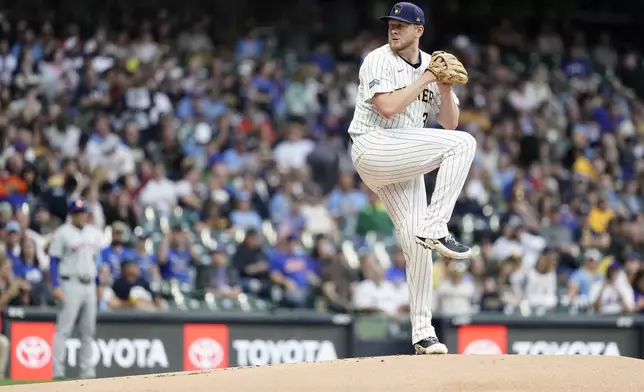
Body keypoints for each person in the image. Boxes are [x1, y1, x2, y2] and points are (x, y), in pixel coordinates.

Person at [347, 1, 475, 355]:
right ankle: (438, 226)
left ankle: (423, 333)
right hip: (373, 147)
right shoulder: (379, 59)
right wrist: (429, 78)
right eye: (391, 23)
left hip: (405, 160)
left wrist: (445, 89)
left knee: (416, 244)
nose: (394, 29)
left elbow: (449, 123)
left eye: (401, 25)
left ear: (419, 30)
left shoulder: (432, 65)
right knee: (463, 145)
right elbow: (386, 108)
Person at [48, 198, 104, 380]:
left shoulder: (93, 233)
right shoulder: (62, 233)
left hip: (89, 284)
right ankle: (58, 372)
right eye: (77, 213)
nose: (80, 216)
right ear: (71, 215)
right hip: (69, 283)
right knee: (64, 329)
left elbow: (95, 261)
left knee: (88, 331)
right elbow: (53, 261)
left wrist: (99, 283)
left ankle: (87, 373)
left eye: (83, 212)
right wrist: (55, 285)